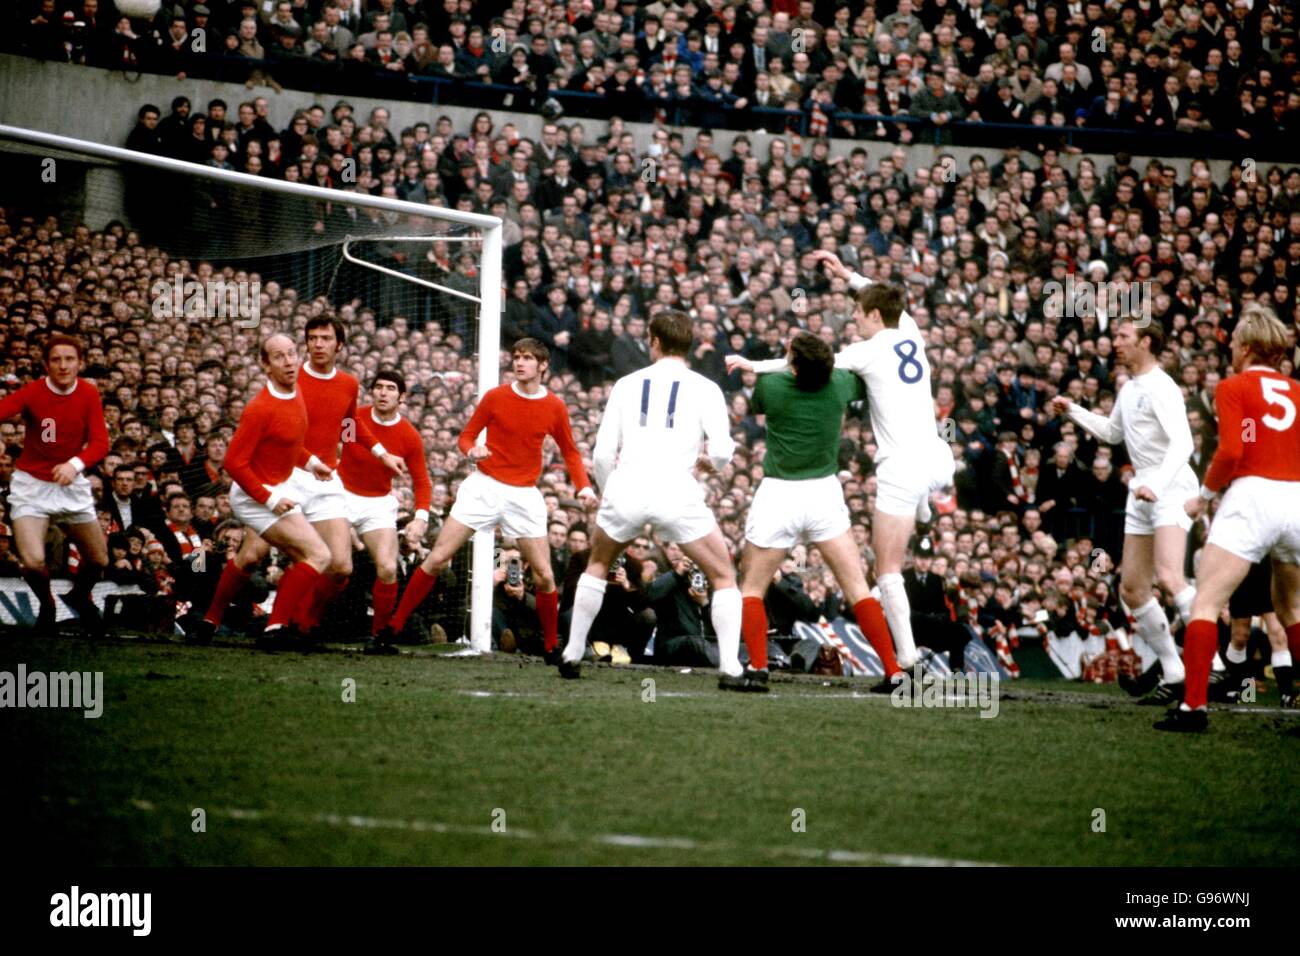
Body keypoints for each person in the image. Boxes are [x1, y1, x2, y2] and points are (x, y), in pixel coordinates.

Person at [728, 251, 954, 675]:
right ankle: (892, 665)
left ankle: (904, 660)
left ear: (872, 314)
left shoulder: (859, 355)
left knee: (885, 571)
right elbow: (883, 303)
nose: (853, 318)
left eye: (856, 311)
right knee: (858, 585)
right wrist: (848, 274)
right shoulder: (910, 329)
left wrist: (752, 364)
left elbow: (804, 366)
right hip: (938, 456)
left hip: (887, 470)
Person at [560, 309, 746, 685]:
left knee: (597, 564)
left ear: (655, 342)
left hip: (627, 486)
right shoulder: (706, 388)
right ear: (689, 344)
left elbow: (600, 453)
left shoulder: (627, 385)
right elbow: (725, 448)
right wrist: (713, 464)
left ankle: (572, 652)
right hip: (676, 490)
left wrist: (608, 488)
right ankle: (730, 668)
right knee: (724, 576)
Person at [193, 317, 404, 642]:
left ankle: (302, 624)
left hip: (323, 479)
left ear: (340, 345)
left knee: (340, 567)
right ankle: (212, 620)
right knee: (251, 555)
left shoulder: (348, 383)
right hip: (286, 475)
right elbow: (278, 434)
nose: (318, 344)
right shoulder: (290, 380)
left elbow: (348, 425)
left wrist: (378, 453)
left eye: (326, 338)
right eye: (312, 338)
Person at [380, 339, 594, 656]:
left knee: (545, 575)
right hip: (484, 486)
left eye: (527, 358)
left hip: (523, 494)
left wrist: (584, 487)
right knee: (438, 558)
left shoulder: (555, 407)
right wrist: (472, 450)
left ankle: (551, 646)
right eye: (516, 357)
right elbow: (465, 436)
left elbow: (571, 453)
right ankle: (392, 628)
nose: (519, 363)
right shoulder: (495, 397)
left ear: (543, 365)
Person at [732, 332, 903, 693]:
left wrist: (765, 364)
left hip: (779, 492)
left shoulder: (772, 386)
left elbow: (764, 394)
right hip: (824, 491)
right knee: (857, 587)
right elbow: (857, 376)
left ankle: (759, 669)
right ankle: (893, 671)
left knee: (752, 587)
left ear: (793, 366)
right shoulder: (840, 384)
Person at [1157, 308, 1300, 732]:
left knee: (1205, 602)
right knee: (1291, 609)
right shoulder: (1295, 390)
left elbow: (1233, 451)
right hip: (1295, 497)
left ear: (1250, 347)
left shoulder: (1233, 386)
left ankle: (1193, 709)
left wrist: (1202, 498)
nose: (1231, 348)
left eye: (1236, 341)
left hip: (1253, 496)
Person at [1051, 319, 1200, 707]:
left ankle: (1211, 660)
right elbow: (1114, 434)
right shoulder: (1129, 386)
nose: (1114, 343)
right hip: (1143, 489)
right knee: (1132, 589)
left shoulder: (1162, 387)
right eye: (1114, 336)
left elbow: (1183, 443)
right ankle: (1174, 671)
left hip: (1169, 486)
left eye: (1122, 337)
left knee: (1170, 577)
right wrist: (1074, 411)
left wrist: (1158, 483)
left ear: (1145, 342)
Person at [221, 334, 333, 647]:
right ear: (265, 365)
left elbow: (298, 440)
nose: (289, 361)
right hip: (260, 490)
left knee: (325, 561)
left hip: (293, 482)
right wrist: (270, 497)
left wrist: (313, 463)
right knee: (315, 556)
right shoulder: (260, 407)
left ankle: (289, 624)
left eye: (292, 354)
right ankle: (277, 627)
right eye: (279, 357)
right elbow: (233, 462)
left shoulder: (329, 388)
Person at [0, 334, 110, 634]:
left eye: (69, 359)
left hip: (70, 484)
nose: (63, 366)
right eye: (56, 360)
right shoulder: (33, 392)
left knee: (99, 560)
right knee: (33, 563)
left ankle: (77, 595)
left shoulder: (88, 394)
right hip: (32, 486)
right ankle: (47, 604)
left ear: (80, 363)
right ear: (46, 365)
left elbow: (101, 442)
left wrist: (75, 464)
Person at [337, 368, 432, 655]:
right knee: (336, 566)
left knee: (389, 568)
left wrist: (421, 517)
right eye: (378, 387)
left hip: (378, 502)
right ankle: (301, 624)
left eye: (390, 388)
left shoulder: (409, 436)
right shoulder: (356, 419)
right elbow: (337, 443)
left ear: (401, 397)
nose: (383, 393)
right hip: (340, 494)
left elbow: (422, 481)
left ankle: (379, 636)